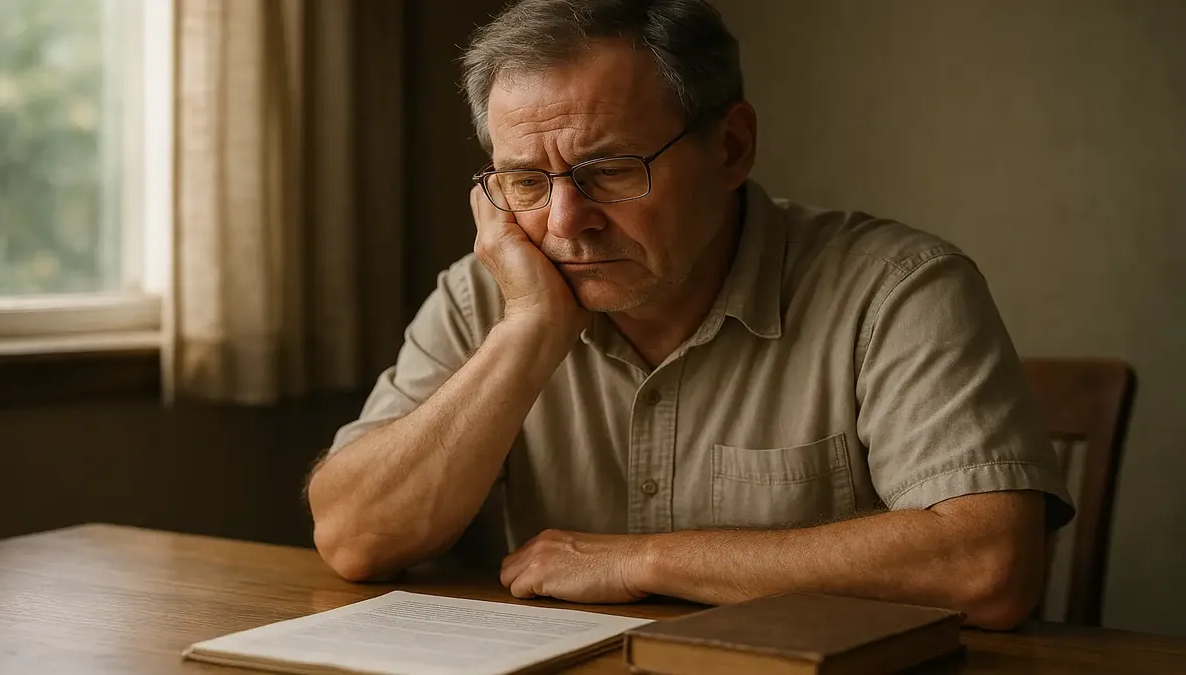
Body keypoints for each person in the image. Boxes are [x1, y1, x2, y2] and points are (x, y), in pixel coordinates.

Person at [307, 0, 1073, 630]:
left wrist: (640, 559)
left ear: (732, 148)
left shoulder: (898, 288)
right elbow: (353, 537)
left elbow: (988, 565)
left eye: (608, 170)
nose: (566, 222)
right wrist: (529, 333)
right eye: (524, 181)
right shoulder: (490, 294)